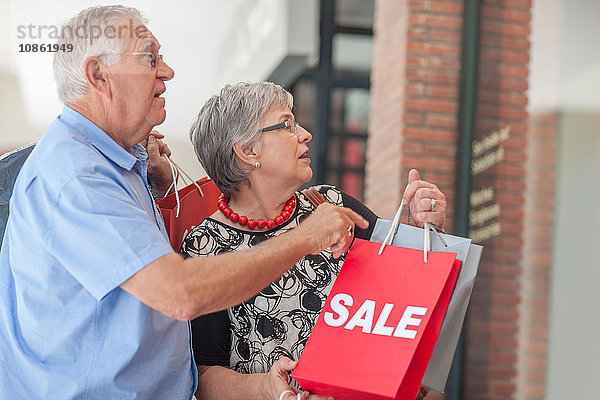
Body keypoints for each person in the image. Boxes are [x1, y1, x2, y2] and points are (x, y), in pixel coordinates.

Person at [0, 7, 368, 400]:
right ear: (98, 75)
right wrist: (304, 238)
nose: (167, 72)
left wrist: (153, 183)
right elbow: (180, 294)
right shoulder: (77, 177)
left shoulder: (118, 166)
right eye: (149, 57)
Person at [182, 82, 447, 400]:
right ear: (249, 151)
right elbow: (205, 375)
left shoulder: (331, 203)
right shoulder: (204, 249)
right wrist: (267, 388)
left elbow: (405, 294)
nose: (305, 134)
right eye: (287, 124)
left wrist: (425, 230)